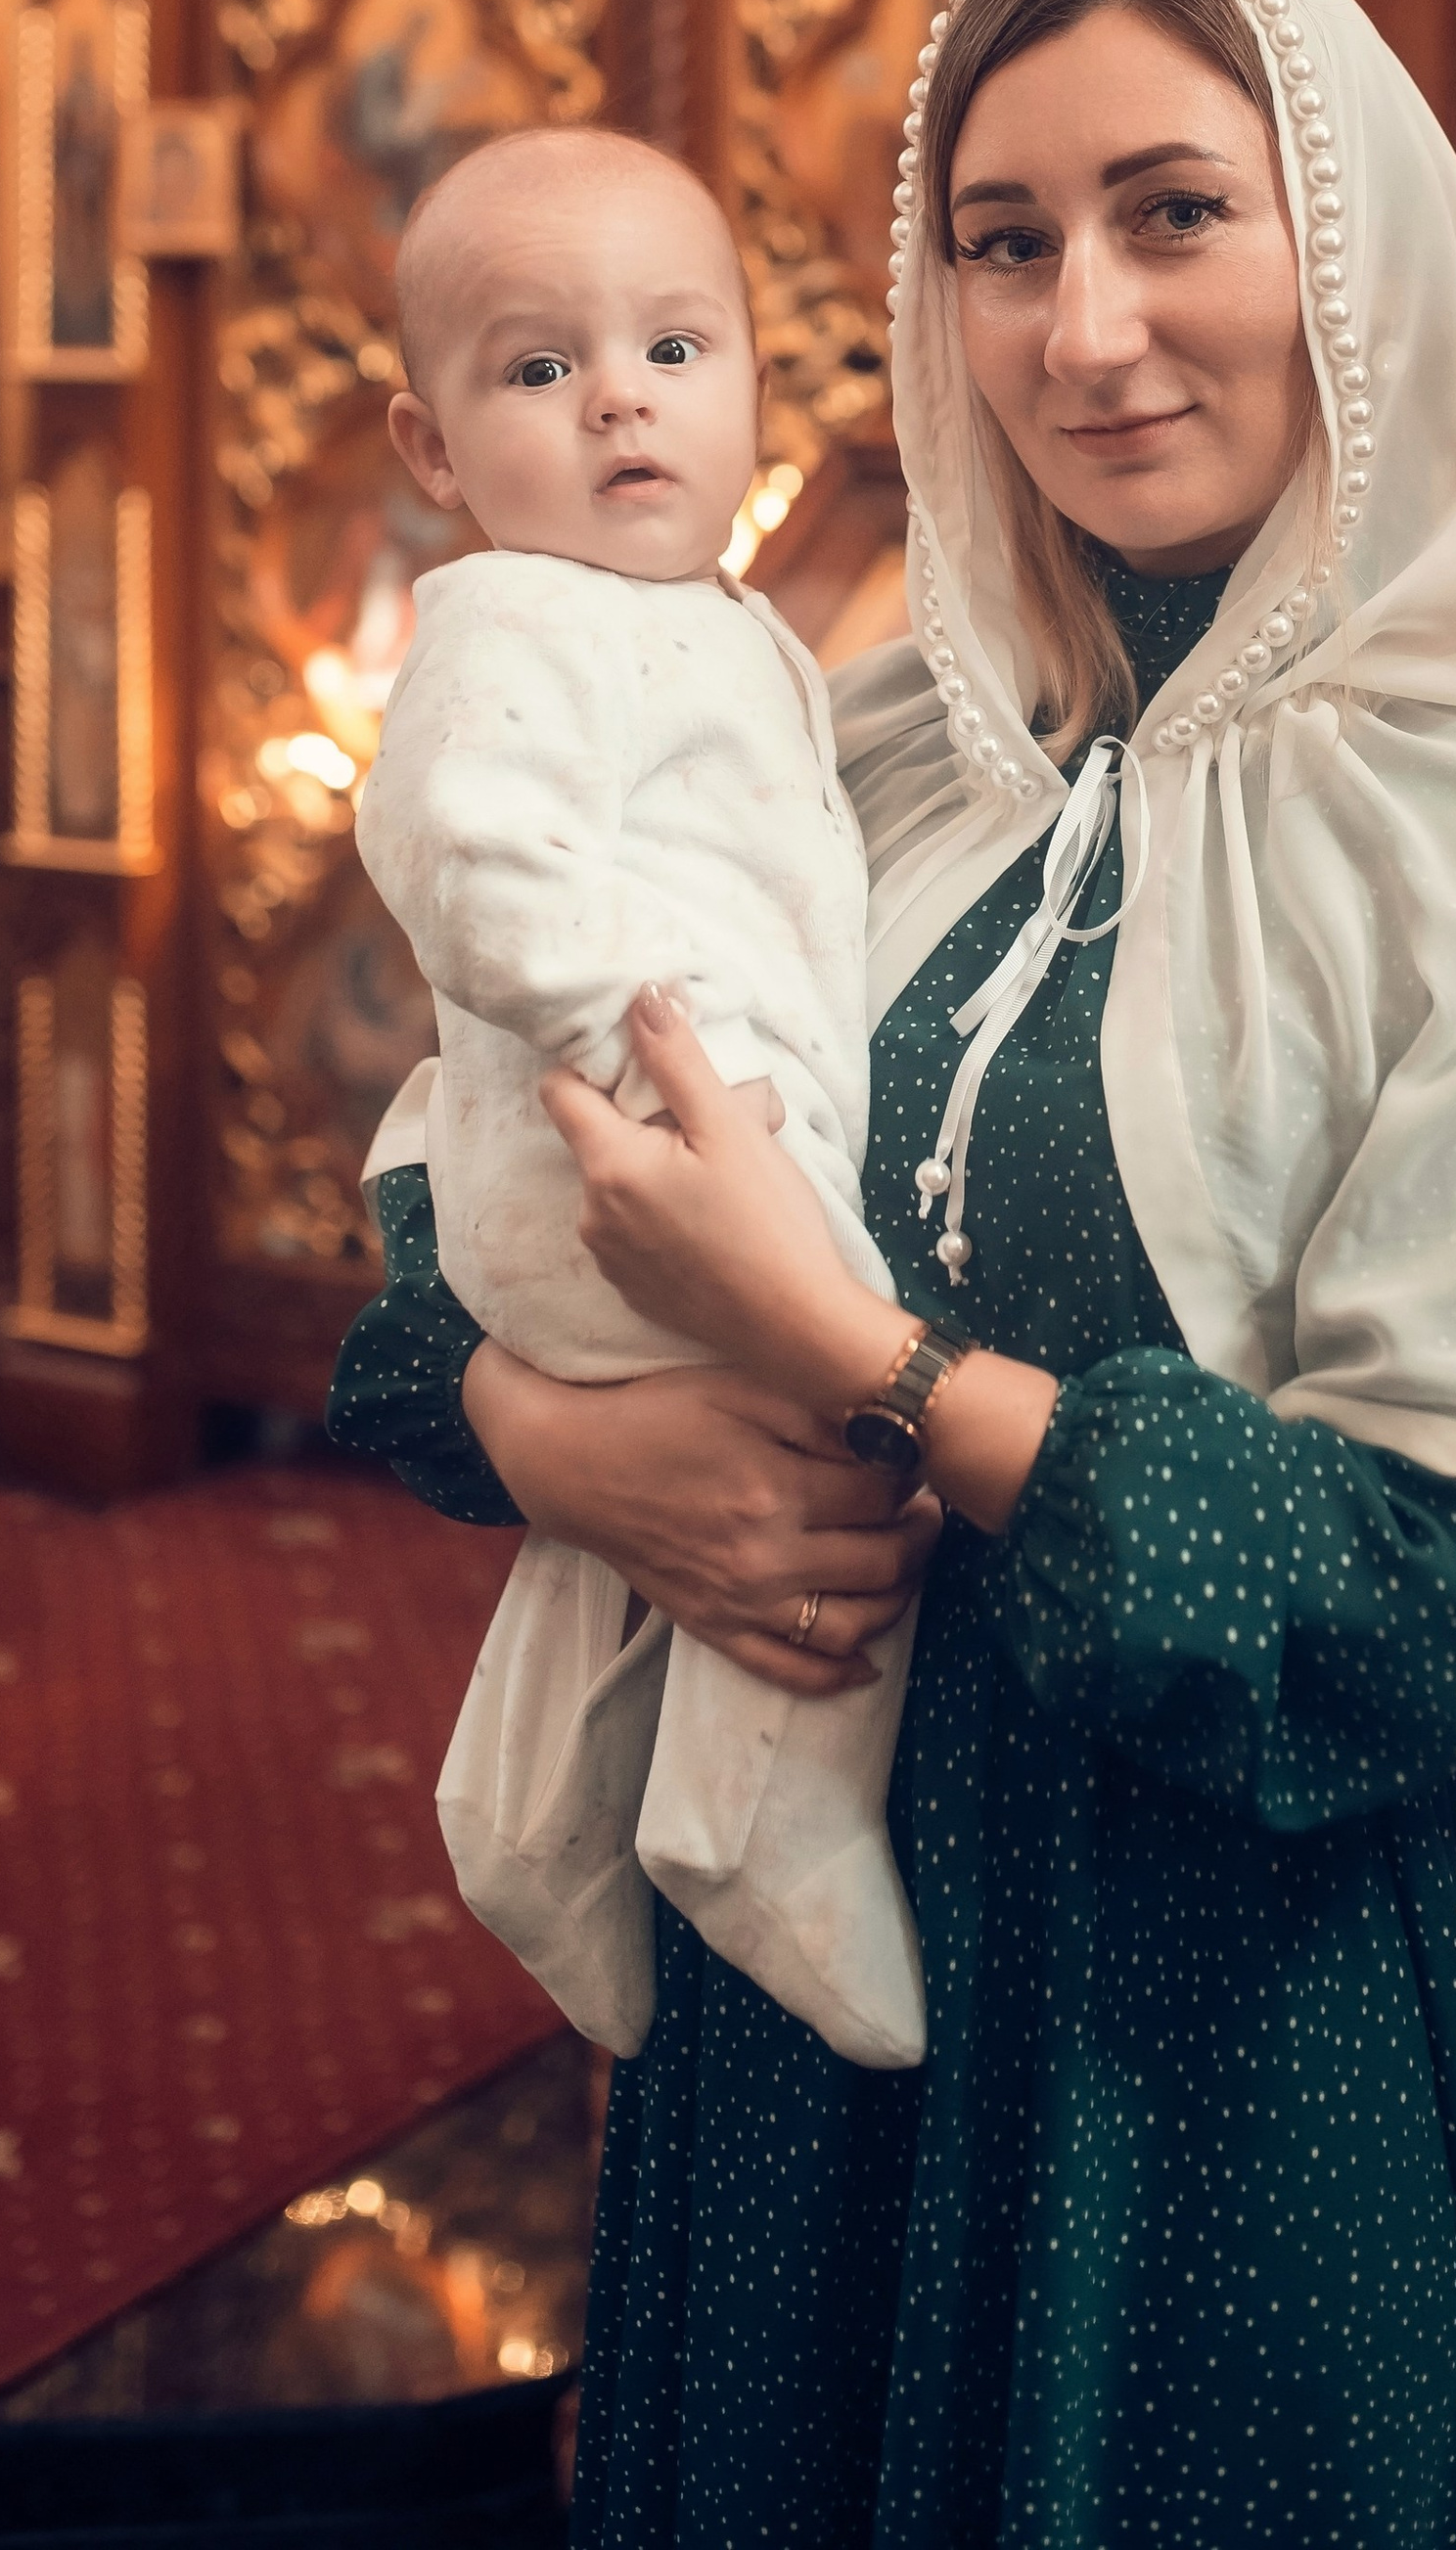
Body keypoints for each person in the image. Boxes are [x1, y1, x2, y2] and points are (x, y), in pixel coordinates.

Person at [329, 0, 1456, 2548]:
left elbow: (1420, 1592)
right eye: (1001, 247)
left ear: (1342, 246)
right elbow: (445, 1239)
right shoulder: (881, 748)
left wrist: (868, 1362)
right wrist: (556, 1443)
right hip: (797, 2013)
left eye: (1172, 212)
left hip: (1210, 2042)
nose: (1082, 328)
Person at [352, 126, 924, 2071]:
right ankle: (762, 1815)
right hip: (647, 1152)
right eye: (537, 367)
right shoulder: (508, 619)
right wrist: (644, 1054)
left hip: (673, 1142)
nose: (617, 395)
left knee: (629, 1528)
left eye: (675, 347)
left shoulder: (739, 628)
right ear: (431, 451)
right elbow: (455, 841)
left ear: (755, 379)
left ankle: (522, 1813)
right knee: (847, 1417)